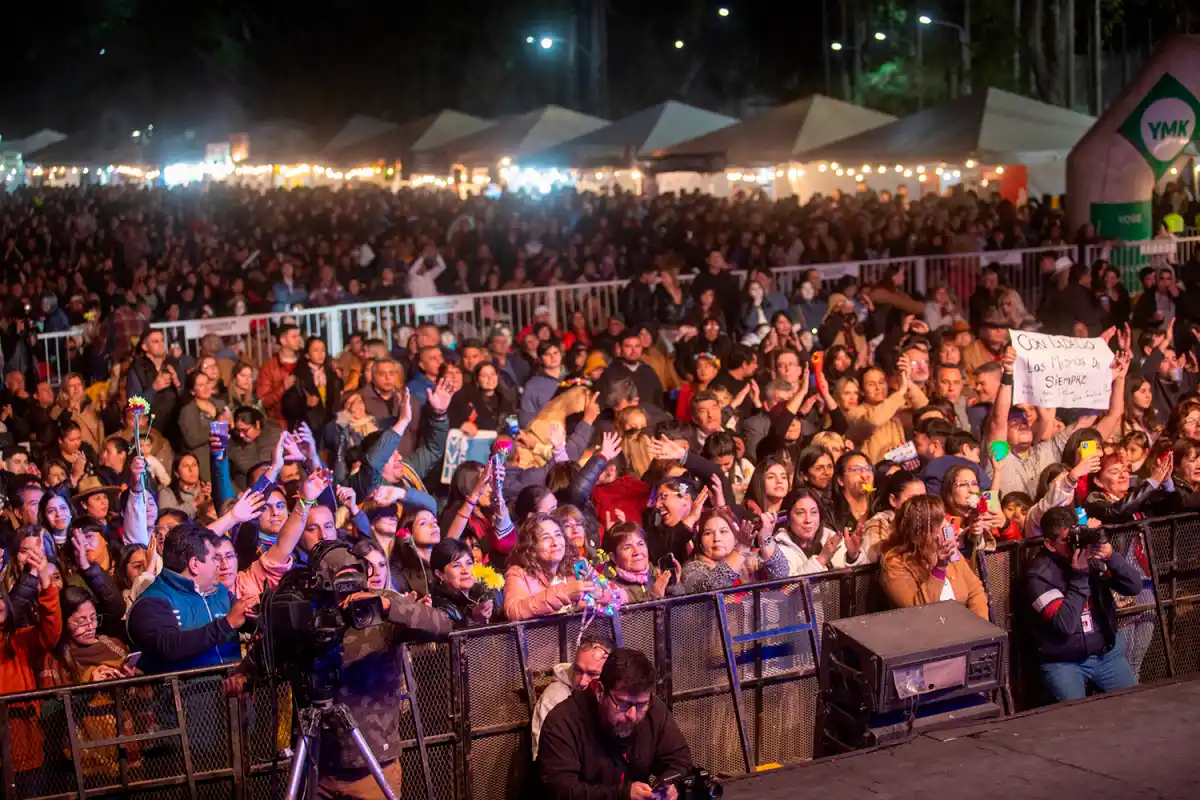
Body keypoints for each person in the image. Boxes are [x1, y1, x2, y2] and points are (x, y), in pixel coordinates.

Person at [538, 648, 693, 800]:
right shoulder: (562, 722)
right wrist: (622, 795)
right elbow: (562, 791)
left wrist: (668, 784)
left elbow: (680, 759)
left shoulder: (653, 709)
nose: (632, 716)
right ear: (600, 692)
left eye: (641, 705)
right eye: (623, 704)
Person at [1024, 506, 1143, 702]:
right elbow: (1065, 623)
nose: (1075, 544)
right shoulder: (1039, 576)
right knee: (1076, 720)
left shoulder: (1091, 556)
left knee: (1134, 705)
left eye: (1075, 535)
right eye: (1066, 540)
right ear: (1050, 544)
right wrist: (1080, 577)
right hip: (1064, 662)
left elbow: (1134, 586)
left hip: (1106, 654)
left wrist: (1110, 556)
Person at [127, 524, 254, 674]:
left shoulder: (219, 592)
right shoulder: (151, 603)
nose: (219, 564)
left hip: (235, 691)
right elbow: (170, 647)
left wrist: (255, 613)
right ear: (194, 564)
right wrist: (226, 624)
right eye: (214, 558)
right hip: (183, 695)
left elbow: (246, 620)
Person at [878, 495, 989, 619]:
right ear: (922, 533)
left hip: (961, 630)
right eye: (940, 522)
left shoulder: (950, 551)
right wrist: (940, 568)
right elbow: (920, 611)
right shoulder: (895, 564)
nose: (947, 525)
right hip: (925, 635)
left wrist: (979, 629)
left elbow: (976, 591)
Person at [531, 635, 614, 759]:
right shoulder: (555, 698)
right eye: (578, 670)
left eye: (592, 674)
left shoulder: (615, 697)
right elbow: (546, 758)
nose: (582, 681)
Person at [256, 323, 303, 424]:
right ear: (283, 340)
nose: (298, 339)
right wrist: (283, 387)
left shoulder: (304, 362)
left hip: (304, 423)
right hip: (280, 424)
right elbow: (263, 401)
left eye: (299, 336)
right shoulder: (269, 367)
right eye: (294, 337)